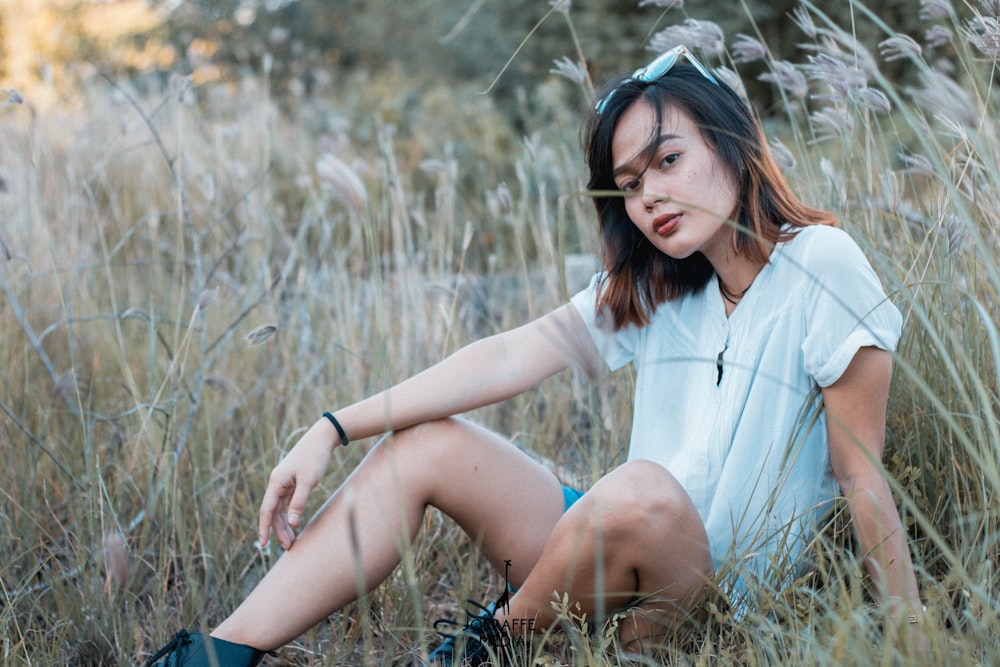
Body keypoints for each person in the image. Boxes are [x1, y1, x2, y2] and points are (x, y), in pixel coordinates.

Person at [144, 46, 923, 667]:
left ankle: (492, 645)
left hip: (710, 596)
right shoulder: (661, 287)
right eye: (629, 181)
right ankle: (212, 655)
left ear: (730, 141)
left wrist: (909, 634)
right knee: (427, 443)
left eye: (667, 160)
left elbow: (861, 475)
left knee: (644, 491)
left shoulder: (822, 264)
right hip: (614, 548)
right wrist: (331, 427)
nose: (648, 194)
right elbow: (507, 354)